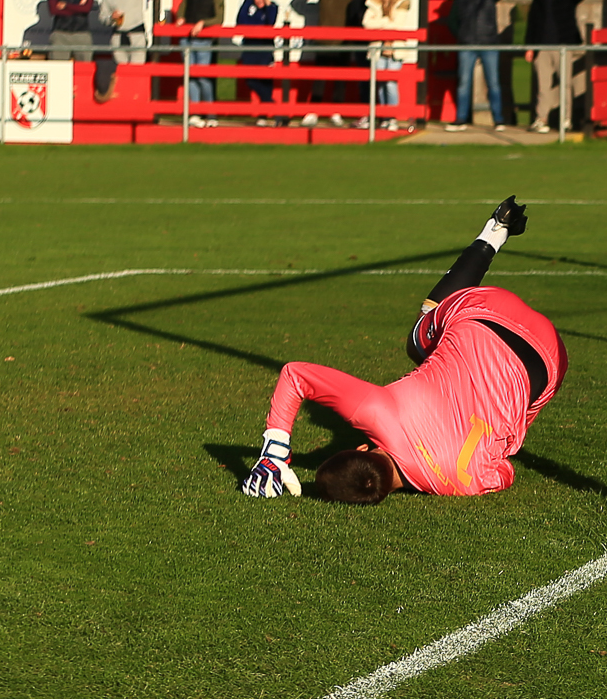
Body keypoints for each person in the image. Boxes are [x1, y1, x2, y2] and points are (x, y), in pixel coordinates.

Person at [240, 197, 565, 502]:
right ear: (363, 448)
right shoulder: (379, 414)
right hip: (487, 310)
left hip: (549, 358)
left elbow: (505, 471)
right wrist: (273, 454)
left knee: (512, 421)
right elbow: (295, 375)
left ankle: (494, 238)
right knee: (417, 342)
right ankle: (493, 233)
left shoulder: (464, 484)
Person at [446, 0, 510, 131]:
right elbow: (452, 19)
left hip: (489, 44)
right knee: (464, 83)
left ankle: (498, 119)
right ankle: (461, 119)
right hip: (467, 45)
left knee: (493, 83)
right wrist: (461, 36)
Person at [524, 0, 589, 133]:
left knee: (565, 84)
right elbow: (532, 24)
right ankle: (541, 119)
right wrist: (529, 47)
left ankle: (566, 119)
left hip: (563, 47)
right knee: (543, 86)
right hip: (542, 48)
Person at [361, 0, 421, 131]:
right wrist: (386, 21)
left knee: (390, 83)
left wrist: (380, 24)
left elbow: (397, 25)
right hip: (378, 48)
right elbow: (367, 23)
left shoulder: (402, 2)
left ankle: (392, 117)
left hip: (395, 49)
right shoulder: (372, 2)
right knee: (380, 83)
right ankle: (384, 117)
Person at [173, 0, 224, 126]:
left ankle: (210, 114)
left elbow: (219, 17)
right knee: (190, 76)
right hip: (187, 38)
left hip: (204, 40)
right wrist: (180, 18)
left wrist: (203, 23)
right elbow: (182, 7)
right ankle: (194, 113)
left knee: (202, 76)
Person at [96, 0, 150, 103]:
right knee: (121, 71)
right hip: (118, 37)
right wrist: (111, 17)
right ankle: (124, 102)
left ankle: (137, 101)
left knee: (137, 71)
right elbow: (102, 17)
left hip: (136, 35)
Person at [234, 0, 280, 127]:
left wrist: (267, 4)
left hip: (265, 50)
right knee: (250, 80)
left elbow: (270, 22)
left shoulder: (272, 7)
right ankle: (274, 108)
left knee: (265, 82)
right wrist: (255, 27)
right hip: (250, 48)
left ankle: (264, 116)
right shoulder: (248, 3)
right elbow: (241, 22)